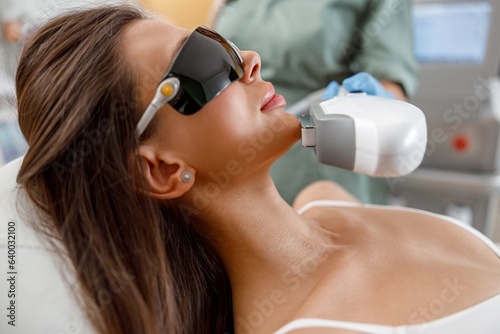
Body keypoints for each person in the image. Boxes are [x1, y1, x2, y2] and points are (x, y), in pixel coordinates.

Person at [0, 4, 499, 334]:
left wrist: (374, 111)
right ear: (163, 171)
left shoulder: (325, 202)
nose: (251, 61)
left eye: (220, 41)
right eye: (204, 62)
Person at [211, 0, 419, 205]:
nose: (252, 59)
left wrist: (380, 102)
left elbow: (391, 78)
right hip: (240, 159)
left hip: (326, 155)